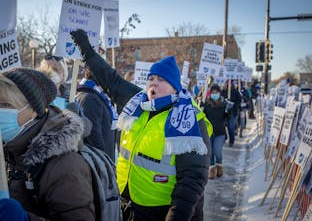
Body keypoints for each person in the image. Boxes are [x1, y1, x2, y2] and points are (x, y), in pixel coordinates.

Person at [71, 29, 212, 221]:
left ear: (175, 87)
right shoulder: (137, 103)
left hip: (162, 211)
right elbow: (110, 79)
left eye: (161, 80)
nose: (154, 83)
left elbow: (193, 179)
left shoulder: (189, 119)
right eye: (151, 79)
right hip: (127, 204)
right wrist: (86, 50)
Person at [0, 68, 95, 221]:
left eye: (5, 104)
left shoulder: (64, 165)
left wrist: (26, 219)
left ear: (34, 109)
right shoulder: (9, 149)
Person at [76, 66, 119, 161]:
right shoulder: (89, 98)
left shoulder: (97, 95)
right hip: (98, 161)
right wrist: (104, 159)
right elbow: (93, 133)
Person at [202, 84, 229, 179]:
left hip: (220, 132)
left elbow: (228, 119)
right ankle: (212, 171)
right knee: (211, 152)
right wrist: (200, 108)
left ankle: (219, 165)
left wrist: (229, 111)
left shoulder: (223, 104)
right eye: (213, 92)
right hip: (209, 133)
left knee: (217, 151)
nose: (214, 94)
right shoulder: (207, 104)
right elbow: (202, 117)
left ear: (219, 93)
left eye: (216, 92)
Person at [221, 80, 241, 147]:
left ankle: (231, 141)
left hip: (233, 112)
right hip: (224, 112)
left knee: (230, 127)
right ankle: (224, 137)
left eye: (230, 83)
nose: (228, 84)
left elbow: (239, 101)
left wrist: (233, 104)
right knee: (222, 125)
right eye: (227, 83)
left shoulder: (235, 92)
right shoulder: (223, 91)